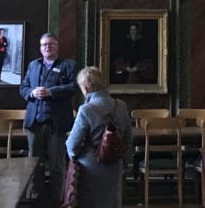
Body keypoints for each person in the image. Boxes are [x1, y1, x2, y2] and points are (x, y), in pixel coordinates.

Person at [20, 33, 79, 199]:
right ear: (40, 48)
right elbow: (23, 87)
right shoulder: (33, 65)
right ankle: (35, 199)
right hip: (35, 123)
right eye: (44, 44)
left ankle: (56, 200)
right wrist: (32, 92)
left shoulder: (68, 65)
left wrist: (51, 92)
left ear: (57, 46)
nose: (47, 47)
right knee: (34, 165)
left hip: (57, 124)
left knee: (56, 166)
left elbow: (74, 86)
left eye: (51, 44)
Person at [65, 66, 132, 208]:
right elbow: (128, 138)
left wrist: (75, 157)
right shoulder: (121, 105)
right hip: (115, 165)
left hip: (90, 166)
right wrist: (117, 154)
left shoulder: (86, 109)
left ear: (86, 88)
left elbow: (72, 145)